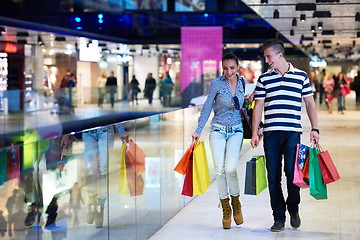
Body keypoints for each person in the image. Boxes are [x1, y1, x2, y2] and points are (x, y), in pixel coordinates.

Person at [250, 39, 319, 232]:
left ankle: (294, 208)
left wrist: (315, 129)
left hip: (292, 133)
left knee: (292, 175)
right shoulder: (264, 78)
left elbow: (309, 104)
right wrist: (255, 131)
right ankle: (278, 217)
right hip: (270, 134)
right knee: (273, 177)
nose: (267, 60)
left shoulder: (301, 76)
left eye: (268, 56)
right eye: (265, 57)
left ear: (280, 54)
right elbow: (258, 106)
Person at [192, 53, 246, 229]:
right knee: (219, 171)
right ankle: (226, 208)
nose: (228, 72)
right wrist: (198, 130)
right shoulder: (216, 83)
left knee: (230, 169)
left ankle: (236, 202)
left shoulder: (242, 82)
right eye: (225, 68)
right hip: (217, 130)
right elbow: (207, 106)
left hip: (236, 130)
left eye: (231, 68)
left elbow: (242, 106)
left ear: (237, 67)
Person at [82, 123, 129, 228]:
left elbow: (116, 108)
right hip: (88, 131)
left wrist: (121, 130)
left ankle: (100, 206)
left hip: (105, 130)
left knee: (103, 169)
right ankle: (92, 202)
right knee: (91, 170)